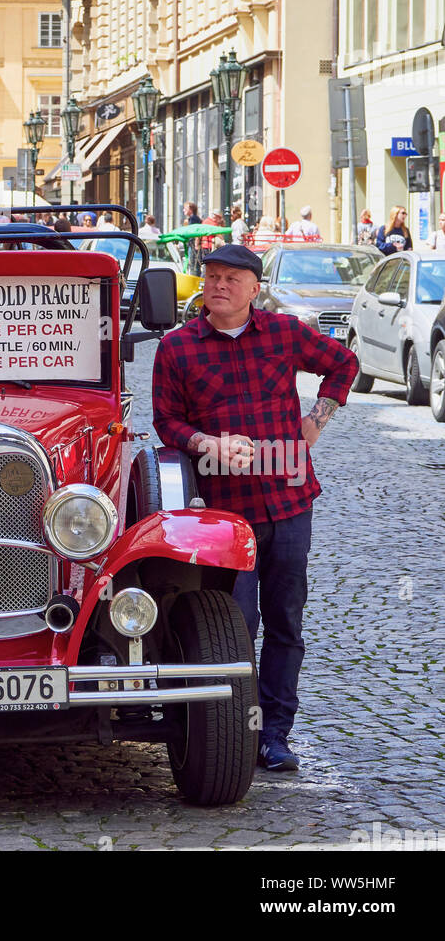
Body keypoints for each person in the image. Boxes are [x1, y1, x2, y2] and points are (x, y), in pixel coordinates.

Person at [152, 242, 358, 772]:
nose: (219, 285)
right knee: (235, 623)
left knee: (286, 620)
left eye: (231, 279)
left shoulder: (285, 333)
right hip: (223, 512)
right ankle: (232, 732)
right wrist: (204, 443)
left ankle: (276, 733)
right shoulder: (178, 346)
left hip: (289, 499)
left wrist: (319, 419)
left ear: (254, 288)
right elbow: (166, 421)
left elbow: (343, 363)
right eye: (212, 276)